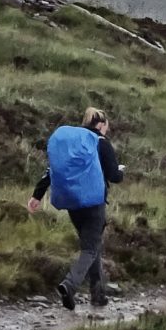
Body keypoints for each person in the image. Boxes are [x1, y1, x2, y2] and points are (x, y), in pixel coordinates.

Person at [28, 107, 125, 310]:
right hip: (93, 202)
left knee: (92, 245)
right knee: (90, 248)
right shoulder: (100, 142)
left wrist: (37, 194)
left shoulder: (74, 143)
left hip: (72, 202)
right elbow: (114, 176)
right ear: (100, 124)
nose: (107, 130)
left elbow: (52, 170)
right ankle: (69, 285)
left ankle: (98, 295)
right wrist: (121, 171)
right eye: (106, 126)